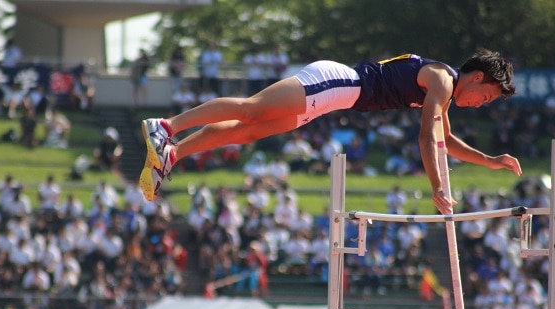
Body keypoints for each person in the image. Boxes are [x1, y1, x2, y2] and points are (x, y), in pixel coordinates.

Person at [138, 49, 521, 214]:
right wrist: (438, 187)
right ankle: (167, 127)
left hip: (337, 100)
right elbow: (428, 138)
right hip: (336, 82)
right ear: (475, 77)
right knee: (252, 109)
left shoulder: (445, 92)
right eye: (484, 96)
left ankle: (171, 155)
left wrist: (489, 161)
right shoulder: (442, 80)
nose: (481, 104)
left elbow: (447, 140)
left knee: (249, 131)